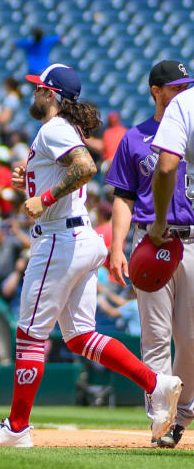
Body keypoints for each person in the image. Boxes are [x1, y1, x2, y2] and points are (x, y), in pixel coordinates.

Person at [0, 63, 183, 447]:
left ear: (51, 95)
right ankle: (158, 383)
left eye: (39, 89)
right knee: (81, 336)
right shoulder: (64, 130)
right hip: (79, 238)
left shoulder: (53, 128)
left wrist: (44, 196)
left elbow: (85, 167)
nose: (34, 94)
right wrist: (32, 182)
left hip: (58, 241)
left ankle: (17, 428)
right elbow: (73, 169)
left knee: (30, 334)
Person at [105, 61, 194, 448]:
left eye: (186, 85)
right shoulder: (134, 138)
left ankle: (184, 411)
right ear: (155, 90)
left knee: (190, 339)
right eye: (174, 87)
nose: (182, 92)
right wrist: (116, 246)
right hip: (151, 240)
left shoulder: (190, 127)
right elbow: (123, 197)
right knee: (155, 338)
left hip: (191, 240)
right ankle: (161, 417)